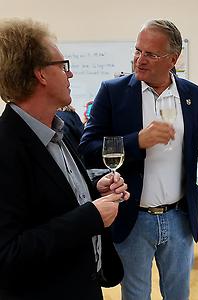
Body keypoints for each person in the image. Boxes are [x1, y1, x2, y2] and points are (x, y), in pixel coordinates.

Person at [79, 19, 198, 299]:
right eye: (138, 50)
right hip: (133, 217)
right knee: (136, 295)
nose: (139, 59)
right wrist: (136, 141)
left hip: (179, 218)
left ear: (173, 59)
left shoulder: (193, 95)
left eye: (150, 54)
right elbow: (88, 148)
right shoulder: (113, 92)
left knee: (178, 294)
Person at [0, 19, 130, 299]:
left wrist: (94, 189)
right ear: (40, 75)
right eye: (62, 66)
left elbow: (51, 199)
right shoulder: (6, 147)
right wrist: (91, 216)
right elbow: (9, 253)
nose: (69, 75)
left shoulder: (58, 130)